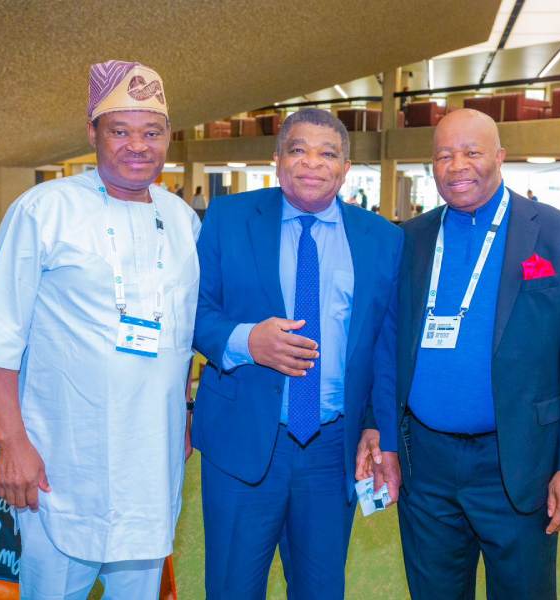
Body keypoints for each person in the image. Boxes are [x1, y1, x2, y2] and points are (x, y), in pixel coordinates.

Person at [0, 60, 200, 599]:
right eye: (120, 131)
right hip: (61, 463)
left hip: (152, 461)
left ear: (168, 138)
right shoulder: (43, 211)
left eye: (152, 132)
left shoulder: (183, 219)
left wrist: (184, 412)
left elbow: (182, 336)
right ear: (92, 132)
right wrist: (12, 442)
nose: (137, 146)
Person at [357, 108, 560, 599]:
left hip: (518, 464)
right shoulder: (409, 239)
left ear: (500, 156)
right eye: (444, 155)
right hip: (425, 465)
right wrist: (381, 432)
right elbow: (386, 348)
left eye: (471, 152)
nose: (457, 166)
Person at [193, 108, 402, 599]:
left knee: (321, 590)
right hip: (242, 444)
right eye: (298, 150)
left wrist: (374, 423)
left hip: (332, 451)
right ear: (277, 159)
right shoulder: (228, 219)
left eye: (328, 153)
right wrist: (248, 341)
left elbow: (384, 346)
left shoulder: (383, 240)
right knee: (231, 588)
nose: (313, 163)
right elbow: (194, 313)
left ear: (346, 168)